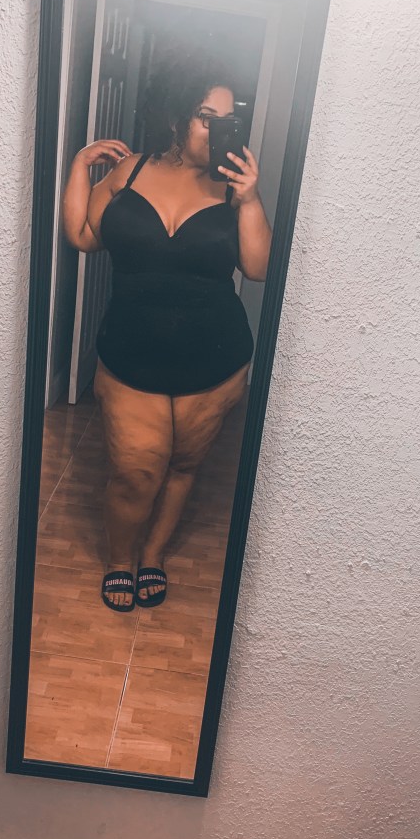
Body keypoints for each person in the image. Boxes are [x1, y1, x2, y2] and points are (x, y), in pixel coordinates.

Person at [61, 52, 272, 611]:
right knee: (134, 472)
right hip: (130, 355)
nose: (217, 130)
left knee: (183, 466)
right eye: (206, 116)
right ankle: (119, 560)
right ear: (178, 116)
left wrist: (250, 198)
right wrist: (80, 165)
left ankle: (152, 555)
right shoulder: (128, 172)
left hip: (215, 359)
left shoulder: (233, 188)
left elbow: (257, 268)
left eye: (227, 120)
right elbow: (82, 235)